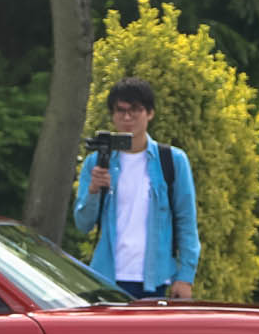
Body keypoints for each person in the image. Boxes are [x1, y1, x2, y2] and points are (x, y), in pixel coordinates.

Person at [72, 76, 200, 299]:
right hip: (106, 277)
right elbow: (83, 224)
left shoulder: (172, 160)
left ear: (149, 113)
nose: (127, 117)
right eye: (120, 111)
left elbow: (186, 220)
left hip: (156, 280)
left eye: (135, 110)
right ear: (112, 115)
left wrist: (185, 276)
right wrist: (93, 190)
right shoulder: (96, 161)